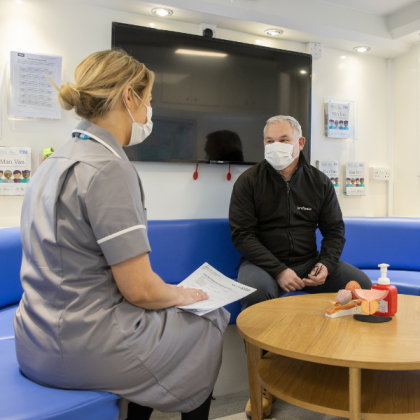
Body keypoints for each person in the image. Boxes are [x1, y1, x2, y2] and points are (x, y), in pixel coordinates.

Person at [14, 49, 229, 420]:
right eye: (148, 100)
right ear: (128, 96)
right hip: (84, 347)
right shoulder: (109, 169)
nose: (148, 112)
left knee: (166, 320)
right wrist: (184, 294)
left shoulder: (54, 161)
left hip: (34, 337)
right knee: (210, 319)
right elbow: (141, 290)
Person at [229, 115, 371, 418]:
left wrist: (325, 264)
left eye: (283, 140)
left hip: (309, 261)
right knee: (255, 294)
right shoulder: (249, 181)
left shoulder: (319, 181)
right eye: (269, 141)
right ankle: (261, 383)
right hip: (262, 263)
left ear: (300, 143)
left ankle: (346, 366)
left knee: (361, 285)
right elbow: (242, 235)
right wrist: (279, 270)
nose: (275, 146)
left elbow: (334, 231)